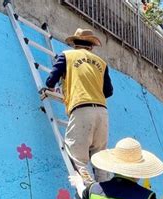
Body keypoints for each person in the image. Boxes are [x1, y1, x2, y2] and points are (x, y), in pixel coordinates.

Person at [46, 28, 113, 185]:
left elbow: (51, 80)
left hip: (82, 109)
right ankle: (104, 192)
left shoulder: (67, 56)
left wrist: (51, 87)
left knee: (77, 154)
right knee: (100, 158)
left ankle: (88, 191)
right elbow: (108, 92)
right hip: (102, 113)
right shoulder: (101, 63)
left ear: (74, 43)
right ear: (91, 46)